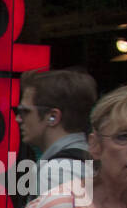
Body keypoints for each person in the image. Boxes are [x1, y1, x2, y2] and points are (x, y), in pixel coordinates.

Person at [13, 68, 97, 198]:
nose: (17, 118)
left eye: (25, 111)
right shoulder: (87, 160)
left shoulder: (57, 173)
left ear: (52, 117)